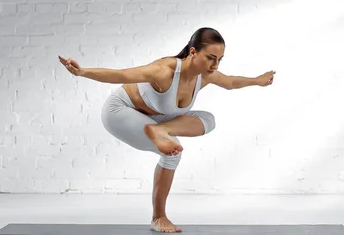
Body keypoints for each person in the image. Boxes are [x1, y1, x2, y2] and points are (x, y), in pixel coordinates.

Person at [58, 27, 276, 233]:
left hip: (155, 119)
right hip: (120, 112)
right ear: (193, 52)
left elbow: (230, 82)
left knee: (208, 120)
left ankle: (160, 130)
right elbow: (122, 75)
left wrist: (257, 81)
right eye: (211, 58)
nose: (215, 65)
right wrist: (82, 72)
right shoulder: (165, 71)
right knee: (173, 150)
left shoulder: (205, 75)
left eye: (219, 59)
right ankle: (158, 216)